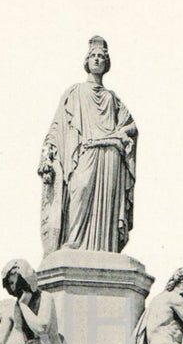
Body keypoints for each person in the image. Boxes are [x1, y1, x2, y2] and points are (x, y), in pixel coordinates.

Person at [38, 36, 137, 254]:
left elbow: (131, 126)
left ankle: (106, 249)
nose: (97, 60)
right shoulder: (75, 92)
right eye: (93, 56)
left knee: (106, 206)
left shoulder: (112, 98)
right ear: (87, 60)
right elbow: (57, 127)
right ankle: (73, 241)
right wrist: (47, 155)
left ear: (107, 63)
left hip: (110, 156)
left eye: (101, 56)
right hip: (86, 152)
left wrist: (121, 133)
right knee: (79, 189)